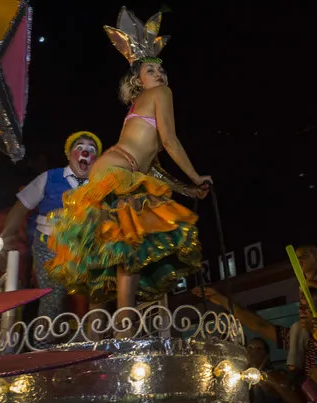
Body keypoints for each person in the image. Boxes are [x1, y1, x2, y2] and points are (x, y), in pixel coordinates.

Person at [44, 7, 211, 334]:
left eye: (161, 70)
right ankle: (124, 327)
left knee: (111, 252)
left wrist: (189, 190)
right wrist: (196, 175)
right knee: (130, 245)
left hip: (113, 172)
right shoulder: (160, 95)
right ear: (138, 79)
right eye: (151, 70)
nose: (159, 75)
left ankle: (96, 335)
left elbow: (153, 170)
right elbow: (171, 141)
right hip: (118, 173)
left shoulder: (142, 103)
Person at [0, 131, 102, 318]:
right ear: (69, 153)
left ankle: (86, 344)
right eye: (80, 147)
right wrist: (4, 238)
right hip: (48, 245)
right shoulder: (50, 177)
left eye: (91, 149)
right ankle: (44, 344)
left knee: (91, 301)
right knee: (52, 301)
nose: (85, 152)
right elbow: (21, 207)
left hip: (85, 249)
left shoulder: (99, 185)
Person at [247, 337, 307, 403]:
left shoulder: (270, 376)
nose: (253, 351)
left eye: (258, 348)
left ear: (266, 355)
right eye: (250, 347)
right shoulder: (248, 377)